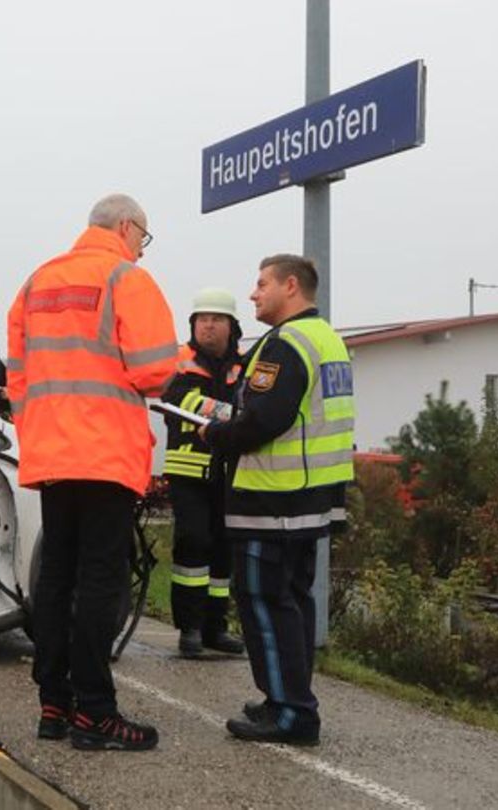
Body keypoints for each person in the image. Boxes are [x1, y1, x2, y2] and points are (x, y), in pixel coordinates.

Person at [6, 193, 178, 751]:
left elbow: (17, 376)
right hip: (104, 456)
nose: (142, 251)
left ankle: (54, 705)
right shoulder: (125, 279)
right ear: (126, 227)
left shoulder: (36, 283)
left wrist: (41, 426)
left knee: (55, 578)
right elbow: (155, 370)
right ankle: (96, 715)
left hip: (51, 455)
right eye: (143, 238)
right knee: (101, 582)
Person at [200, 254, 354, 746]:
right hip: (312, 498)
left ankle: (290, 712)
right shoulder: (327, 337)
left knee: (264, 601)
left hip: (273, 499)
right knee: (293, 601)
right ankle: (287, 698)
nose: (253, 294)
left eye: (262, 283)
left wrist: (215, 434)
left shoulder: (284, 343)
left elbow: (264, 420)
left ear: (291, 286)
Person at [160, 288, 247, 658]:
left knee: (223, 550)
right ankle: (189, 629)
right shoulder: (181, 360)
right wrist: (231, 413)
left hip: (228, 471)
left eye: (216, 319)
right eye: (202, 319)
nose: (207, 325)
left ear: (231, 326)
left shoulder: (244, 363)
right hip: (188, 470)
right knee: (193, 544)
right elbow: (177, 400)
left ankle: (215, 627)